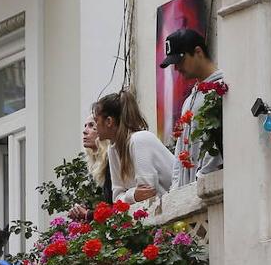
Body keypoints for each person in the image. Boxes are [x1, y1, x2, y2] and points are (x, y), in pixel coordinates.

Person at [159, 28, 224, 186]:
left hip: (208, 188)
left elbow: (215, 144)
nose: (177, 68)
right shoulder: (188, 100)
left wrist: (201, 178)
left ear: (198, 52)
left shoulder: (222, 88)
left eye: (180, 61)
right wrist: (176, 189)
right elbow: (180, 149)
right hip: (188, 193)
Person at [92, 91, 174, 204]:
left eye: (96, 121)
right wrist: (133, 195)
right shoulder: (113, 149)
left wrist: (129, 196)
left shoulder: (139, 140)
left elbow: (147, 193)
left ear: (109, 121)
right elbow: (116, 197)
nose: (95, 127)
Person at [72, 113, 113, 219]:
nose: (85, 131)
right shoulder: (102, 163)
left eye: (91, 126)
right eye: (85, 126)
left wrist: (87, 214)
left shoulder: (111, 160)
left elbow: (116, 207)